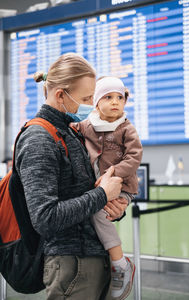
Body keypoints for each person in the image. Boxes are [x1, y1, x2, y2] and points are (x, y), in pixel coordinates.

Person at [14, 53, 129, 300]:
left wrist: (111, 206)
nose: (92, 104)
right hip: (72, 267)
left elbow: (84, 197)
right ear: (60, 95)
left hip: (94, 259)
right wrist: (101, 195)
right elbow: (45, 218)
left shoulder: (71, 132)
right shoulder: (38, 139)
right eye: (87, 98)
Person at [72, 76, 143, 300]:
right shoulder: (87, 124)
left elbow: (134, 157)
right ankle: (116, 262)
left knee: (100, 214)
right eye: (108, 97)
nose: (115, 102)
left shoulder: (126, 128)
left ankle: (120, 263)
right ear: (95, 102)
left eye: (119, 98)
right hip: (100, 187)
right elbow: (70, 130)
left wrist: (113, 174)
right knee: (100, 213)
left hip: (122, 185)